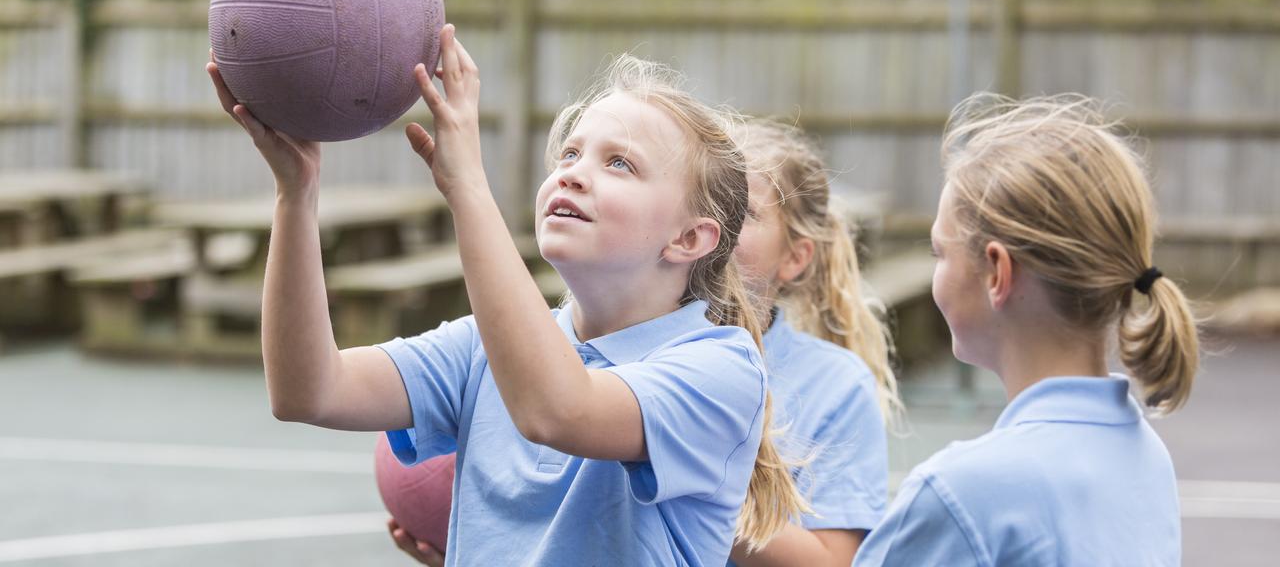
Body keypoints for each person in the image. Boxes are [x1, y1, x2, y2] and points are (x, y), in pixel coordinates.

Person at [206, 28, 804, 566]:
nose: (572, 172)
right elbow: (308, 390)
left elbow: (557, 410)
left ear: (689, 237)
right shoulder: (480, 350)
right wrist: (296, 192)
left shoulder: (720, 369)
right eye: (570, 153)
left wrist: (467, 184)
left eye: (620, 163)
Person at [854, 95, 1199, 567]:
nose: (937, 268)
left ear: (997, 271)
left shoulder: (960, 495)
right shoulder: (1147, 456)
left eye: (940, 252)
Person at [726, 119, 901, 567]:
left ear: (795, 257)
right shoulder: (622, 346)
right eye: (701, 199)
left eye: (740, 211)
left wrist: (683, 476)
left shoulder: (835, 385)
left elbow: (832, 560)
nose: (713, 220)